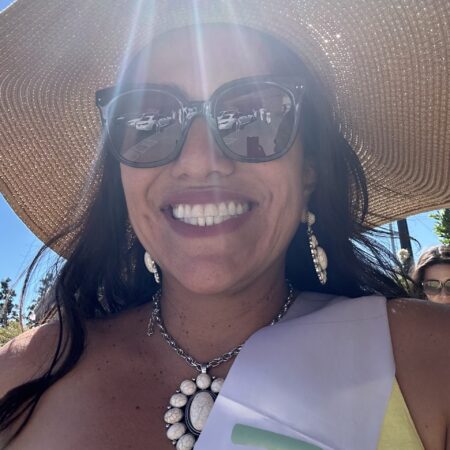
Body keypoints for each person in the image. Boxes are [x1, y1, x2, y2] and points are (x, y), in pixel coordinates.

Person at [0, 1, 450, 449]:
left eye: (255, 114)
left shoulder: (430, 361)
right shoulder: (21, 376)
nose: (199, 160)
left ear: (309, 169)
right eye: (149, 121)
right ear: (122, 178)